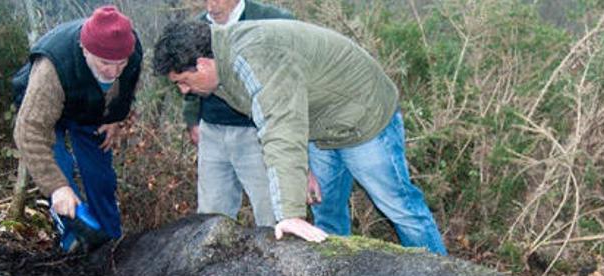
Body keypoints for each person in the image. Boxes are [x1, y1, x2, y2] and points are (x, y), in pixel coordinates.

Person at [152, 19, 447, 255]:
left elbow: (280, 125)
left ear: (202, 64)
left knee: (400, 208)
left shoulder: (253, 58)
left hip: (364, 119)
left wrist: (290, 214)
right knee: (328, 215)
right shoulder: (222, 63)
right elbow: (271, 117)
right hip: (319, 126)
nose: (184, 91)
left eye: (183, 82)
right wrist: (302, 168)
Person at [13, 6, 142, 251]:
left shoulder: (131, 51)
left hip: (89, 109)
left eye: (120, 63)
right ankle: (72, 241)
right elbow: (29, 131)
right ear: (85, 50)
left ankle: (111, 244)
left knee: (100, 178)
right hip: (45, 114)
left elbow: (126, 88)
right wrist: (57, 187)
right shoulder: (52, 66)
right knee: (60, 177)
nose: (113, 71)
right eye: (105, 63)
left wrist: (115, 118)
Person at [182, 0, 293, 227]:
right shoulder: (196, 28)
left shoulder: (271, 20)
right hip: (212, 130)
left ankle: (277, 261)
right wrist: (192, 120)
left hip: (257, 132)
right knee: (210, 216)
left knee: (272, 211)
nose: (212, 6)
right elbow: (186, 80)